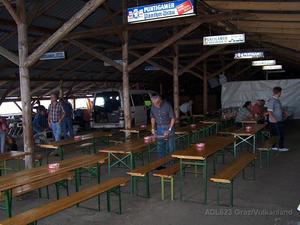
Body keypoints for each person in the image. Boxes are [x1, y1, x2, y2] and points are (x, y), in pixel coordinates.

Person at [150, 95, 176, 160]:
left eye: (156, 104)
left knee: (170, 146)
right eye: (153, 104)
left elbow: (172, 118)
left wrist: (169, 130)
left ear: (160, 101)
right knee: (160, 145)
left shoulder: (167, 106)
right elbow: (153, 117)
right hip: (159, 127)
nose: (155, 106)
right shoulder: (153, 106)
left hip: (168, 126)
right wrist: (153, 128)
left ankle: (171, 160)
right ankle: (161, 161)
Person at [266, 86, 288, 152]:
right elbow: (269, 111)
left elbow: (278, 108)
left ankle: (273, 146)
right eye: (281, 92)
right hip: (275, 121)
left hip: (278, 120)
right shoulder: (272, 100)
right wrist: (274, 119)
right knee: (280, 134)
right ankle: (281, 147)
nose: (281, 93)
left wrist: (284, 112)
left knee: (275, 134)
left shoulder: (276, 100)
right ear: (279, 92)